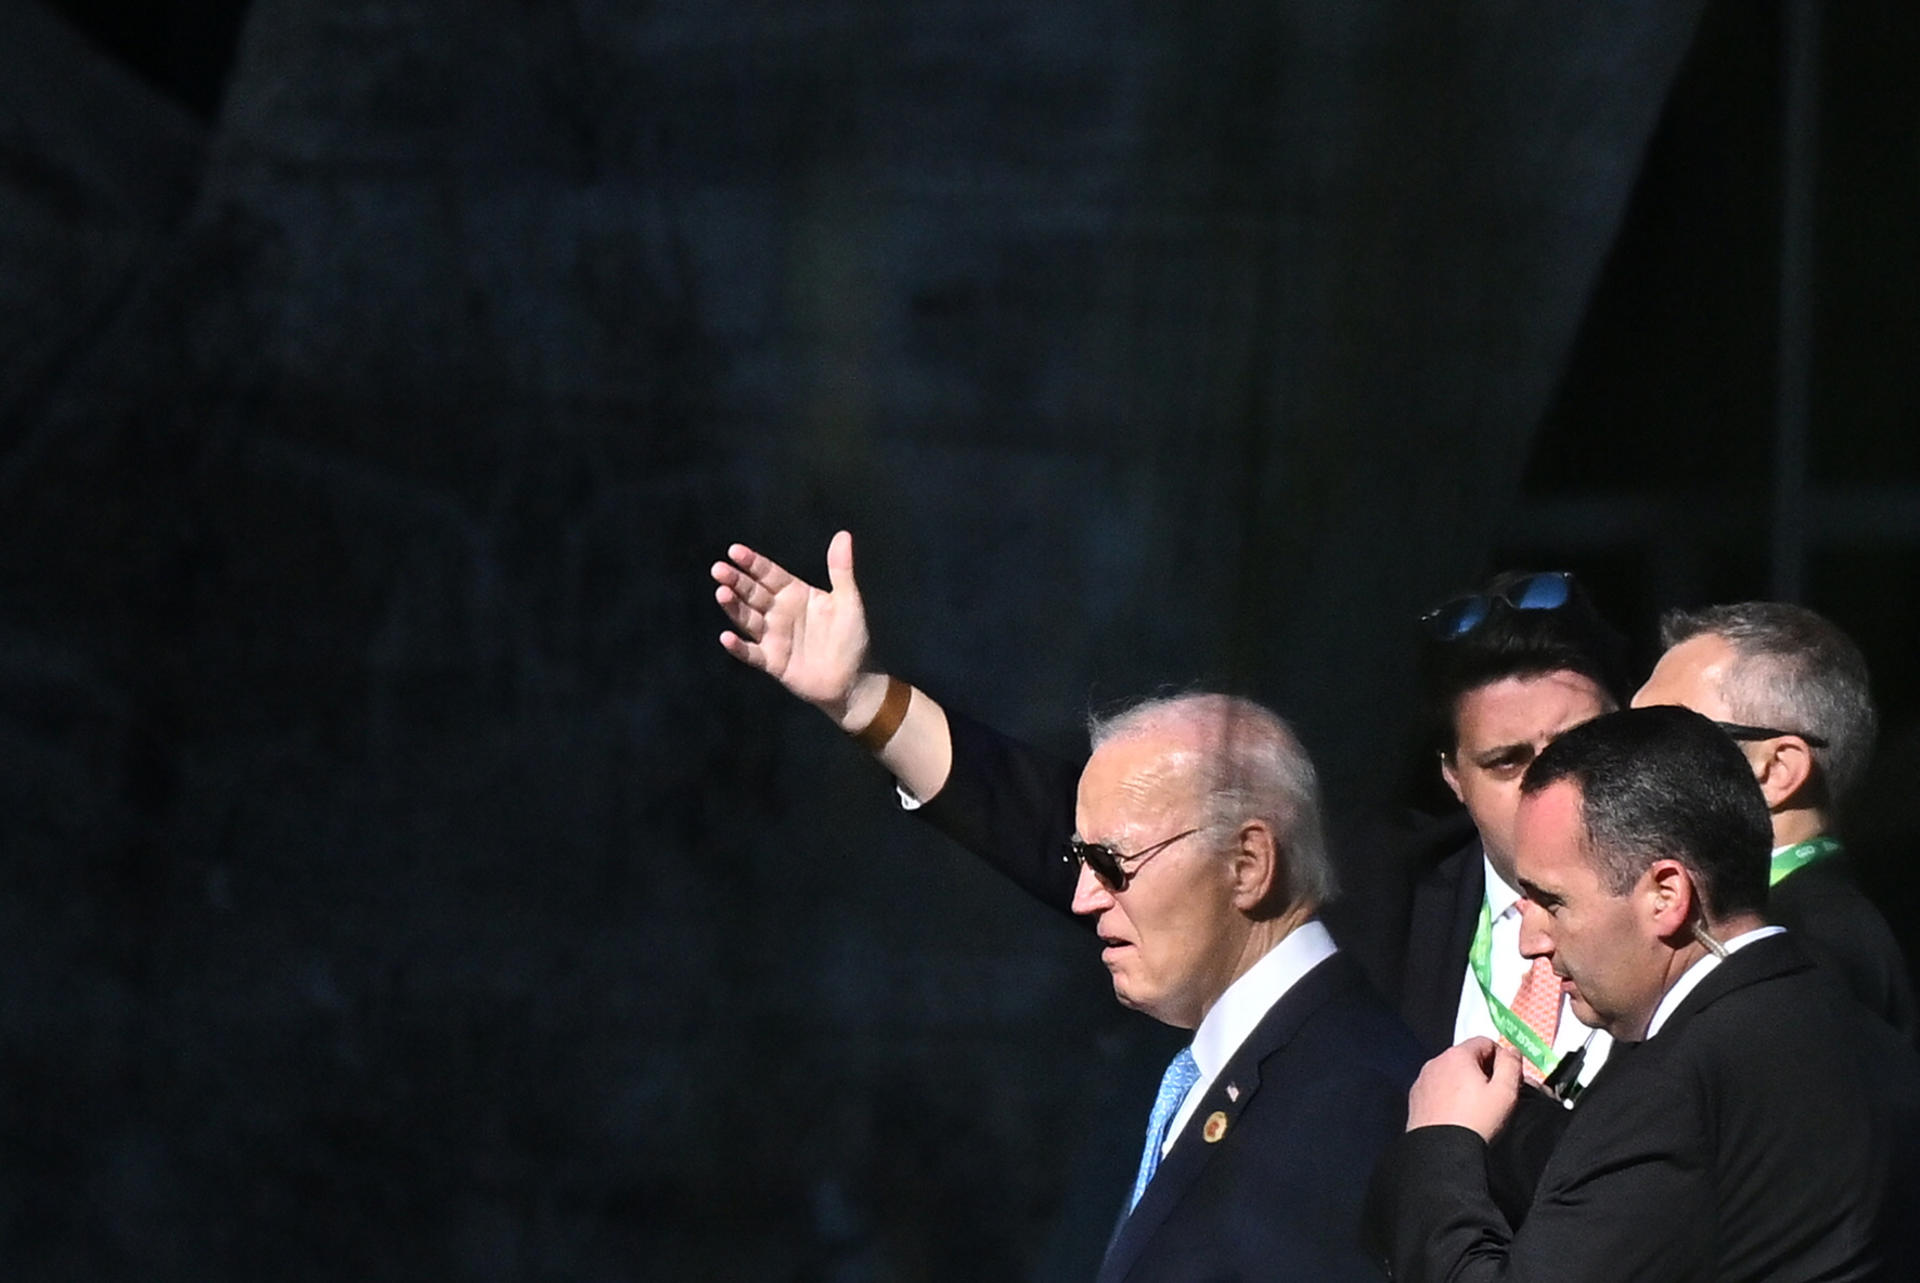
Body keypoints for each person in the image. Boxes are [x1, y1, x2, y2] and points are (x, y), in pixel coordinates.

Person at [714, 534, 1421, 1281]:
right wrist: (861, 697)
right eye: (1083, 862)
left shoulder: (1351, 1099)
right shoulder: (1258, 1052)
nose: (1084, 897)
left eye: (1112, 865)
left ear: (1247, 865)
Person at [1364, 705, 1920, 1282]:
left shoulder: (1676, 1088)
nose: (1531, 941)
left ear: (1666, 895)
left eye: (1552, 902)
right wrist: (1521, 1133)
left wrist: (1438, 1143)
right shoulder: (1865, 1036)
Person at [1633, 601, 1916, 1037]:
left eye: (1665, 734)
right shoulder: (1795, 927)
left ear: (1776, 770)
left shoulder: (1803, 949)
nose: (1621, 763)